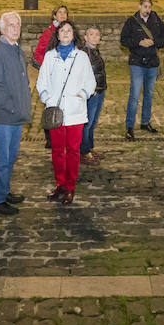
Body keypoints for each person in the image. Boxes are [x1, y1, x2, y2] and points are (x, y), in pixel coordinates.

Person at [36, 20, 97, 204]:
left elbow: (90, 82)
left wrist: (82, 95)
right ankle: (60, 183)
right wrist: (48, 99)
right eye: (62, 30)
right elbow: (41, 83)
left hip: (75, 112)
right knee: (56, 150)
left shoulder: (81, 57)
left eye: (69, 30)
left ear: (73, 34)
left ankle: (70, 187)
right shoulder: (49, 57)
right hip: (55, 112)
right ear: (57, 34)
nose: (65, 33)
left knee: (72, 150)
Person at [0, 11, 31, 215]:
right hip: (4, 115)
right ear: (2, 29)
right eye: (11, 25)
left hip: (16, 115)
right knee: (0, 158)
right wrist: (12, 107)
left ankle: (4, 191)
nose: (15, 28)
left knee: (11, 156)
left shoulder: (17, 50)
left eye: (18, 25)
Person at [120, 0, 164, 140]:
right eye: (144, 6)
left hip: (152, 63)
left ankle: (145, 122)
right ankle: (130, 126)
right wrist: (139, 42)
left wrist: (154, 42)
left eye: (149, 7)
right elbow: (123, 40)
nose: (147, 9)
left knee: (149, 94)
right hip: (137, 62)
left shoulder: (157, 21)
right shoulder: (131, 21)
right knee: (134, 96)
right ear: (139, 6)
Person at [79, 25, 108, 165]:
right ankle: (83, 152)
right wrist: (90, 88)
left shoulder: (95, 51)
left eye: (97, 34)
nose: (95, 36)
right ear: (85, 37)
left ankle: (89, 147)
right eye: (91, 34)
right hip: (92, 92)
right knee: (87, 122)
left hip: (100, 90)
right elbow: (82, 73)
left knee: (93, 122)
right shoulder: (84, 52)